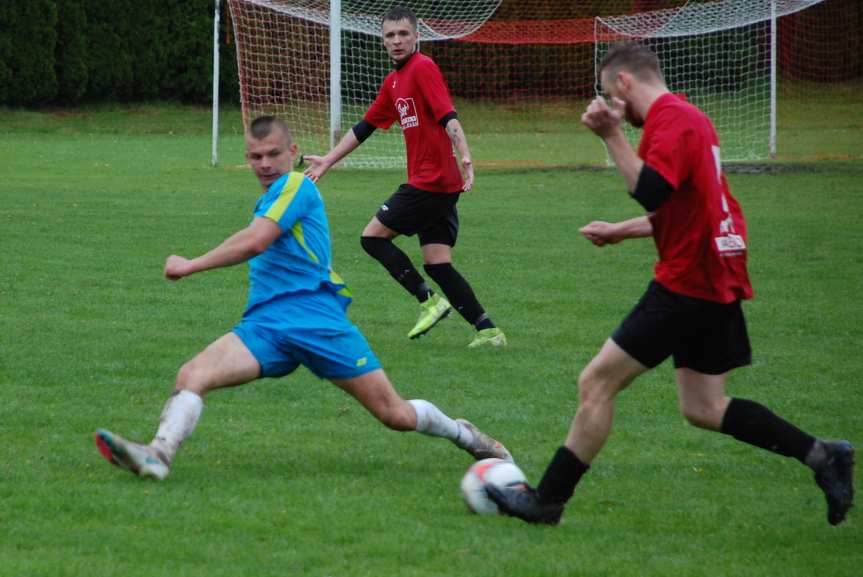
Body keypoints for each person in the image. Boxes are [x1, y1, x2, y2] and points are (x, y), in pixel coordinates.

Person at [486, 44, 854, 525]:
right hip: (716, 276)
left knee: (596, 381)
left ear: (623, 82)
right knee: (704, 406)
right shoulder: (687, 118)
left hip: (688, 281)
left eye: (609, 95)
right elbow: (684, 205)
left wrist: (611, 134)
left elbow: (652, 190)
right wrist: (623, 230)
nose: (614, 107)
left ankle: (547, 500)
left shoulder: (672, 122)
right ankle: (823, 455)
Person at [94, 115, 512, 481]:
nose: (264, 164)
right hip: (266, 325)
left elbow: (257, 241)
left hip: (318, 322)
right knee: (192, 375)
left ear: (292, 152)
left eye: (273, 154)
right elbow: (257, 236)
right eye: (255, 156)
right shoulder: (270, 197)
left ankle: (464, 434)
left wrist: (191, 264)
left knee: (394, 414)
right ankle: (158, 455)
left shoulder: (297, 186)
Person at [303, 5, 505, 348]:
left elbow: (448, 116)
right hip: (438, 185)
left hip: (432, 181)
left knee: (372, 238)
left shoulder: (423, 68)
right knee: (438, 264)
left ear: (416, 37)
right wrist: (328, 161)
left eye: (403, 34)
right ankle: (488, 330)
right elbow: (364, 127)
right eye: (390, 35)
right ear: (382, 41)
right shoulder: (393, 82)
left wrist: (465, 154)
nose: (397, 40)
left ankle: (429, 301)